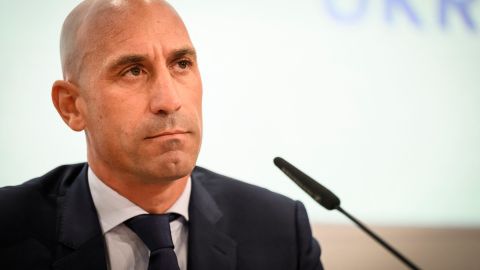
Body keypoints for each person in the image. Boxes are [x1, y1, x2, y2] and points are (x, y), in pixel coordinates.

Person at [0, 0, 323, 269]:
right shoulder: (9, 228)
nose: (169, 101)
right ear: (72, 106)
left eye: (181, 64)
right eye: (133, 71)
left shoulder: (279, 230)